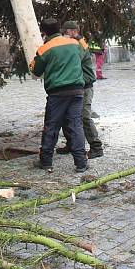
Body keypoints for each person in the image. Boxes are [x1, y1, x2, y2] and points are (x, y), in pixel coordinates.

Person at [31, 17, 88, 174]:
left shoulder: (45, 49)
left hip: (57, 93)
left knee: (52, 126)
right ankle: (81, 163)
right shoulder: (74, 43)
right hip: (77, 90)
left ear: (44, 32)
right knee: (76, 125)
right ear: (60, 29)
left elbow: (35, 70)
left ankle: (46, 162)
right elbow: (84, 53)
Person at [56, 20, 104, 159]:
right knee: (66, 116)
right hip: (73, 86)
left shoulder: (79, 44)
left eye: (67, 32)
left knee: (84, 117)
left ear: (73, 32)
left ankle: (96, 147)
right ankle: (72, 144)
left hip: (85, 86)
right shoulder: (72, 43)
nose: (65, 35)